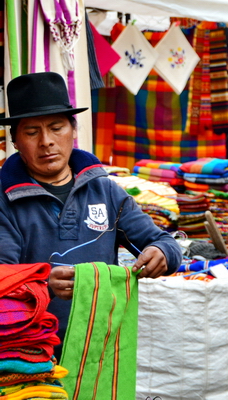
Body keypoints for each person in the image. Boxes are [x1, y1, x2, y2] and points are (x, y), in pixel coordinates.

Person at [0, 72, 182, 360]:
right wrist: (45, 285)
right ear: (15, 142)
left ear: (73, 131)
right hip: (28, 353)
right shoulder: (4, 199)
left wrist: (161, 252)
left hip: (100, 349)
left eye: (56, 127)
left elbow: (163, 242)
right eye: (32, 132)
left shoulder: (106, 191)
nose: (46, 141)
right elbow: (3, 278)